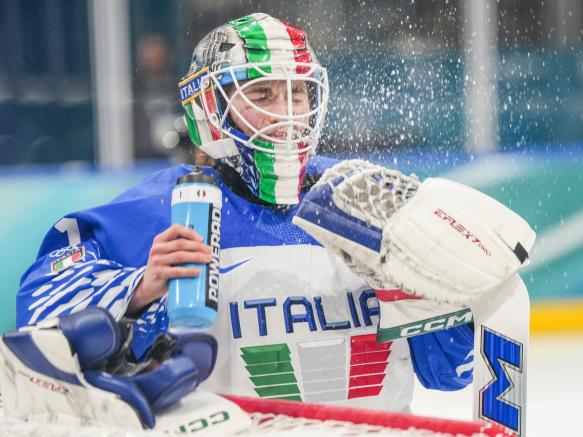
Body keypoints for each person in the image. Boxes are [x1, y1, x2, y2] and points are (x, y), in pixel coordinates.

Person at [16, 13, 472, 412]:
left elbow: (450, 371)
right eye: (264, 93)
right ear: (212, 109)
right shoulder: (169, 209)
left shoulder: (370, 199)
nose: (287, 114)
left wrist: (437, 292)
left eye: (299, 94)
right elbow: (37, 309)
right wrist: (136, 290)